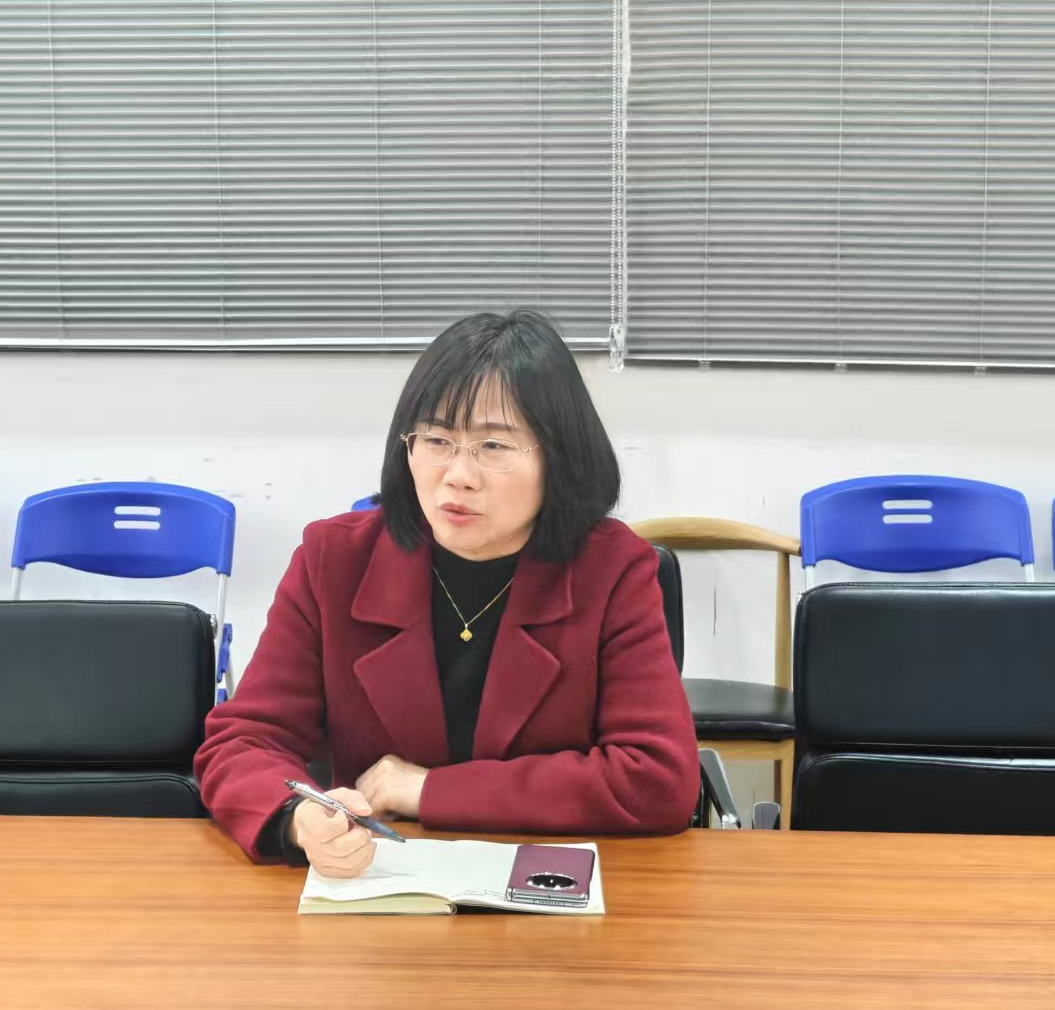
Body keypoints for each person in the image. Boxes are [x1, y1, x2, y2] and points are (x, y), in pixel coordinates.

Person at [194, 309, 699, 877]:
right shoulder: (333, 560)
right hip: (378, 882)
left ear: (558, 458)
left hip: (552, 883)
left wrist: (429, 789)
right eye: (436, 439)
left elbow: (657, 777)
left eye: (494, 446)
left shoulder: (612, 569)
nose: (458, 475)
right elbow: (242, 743)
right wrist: (297, 817)